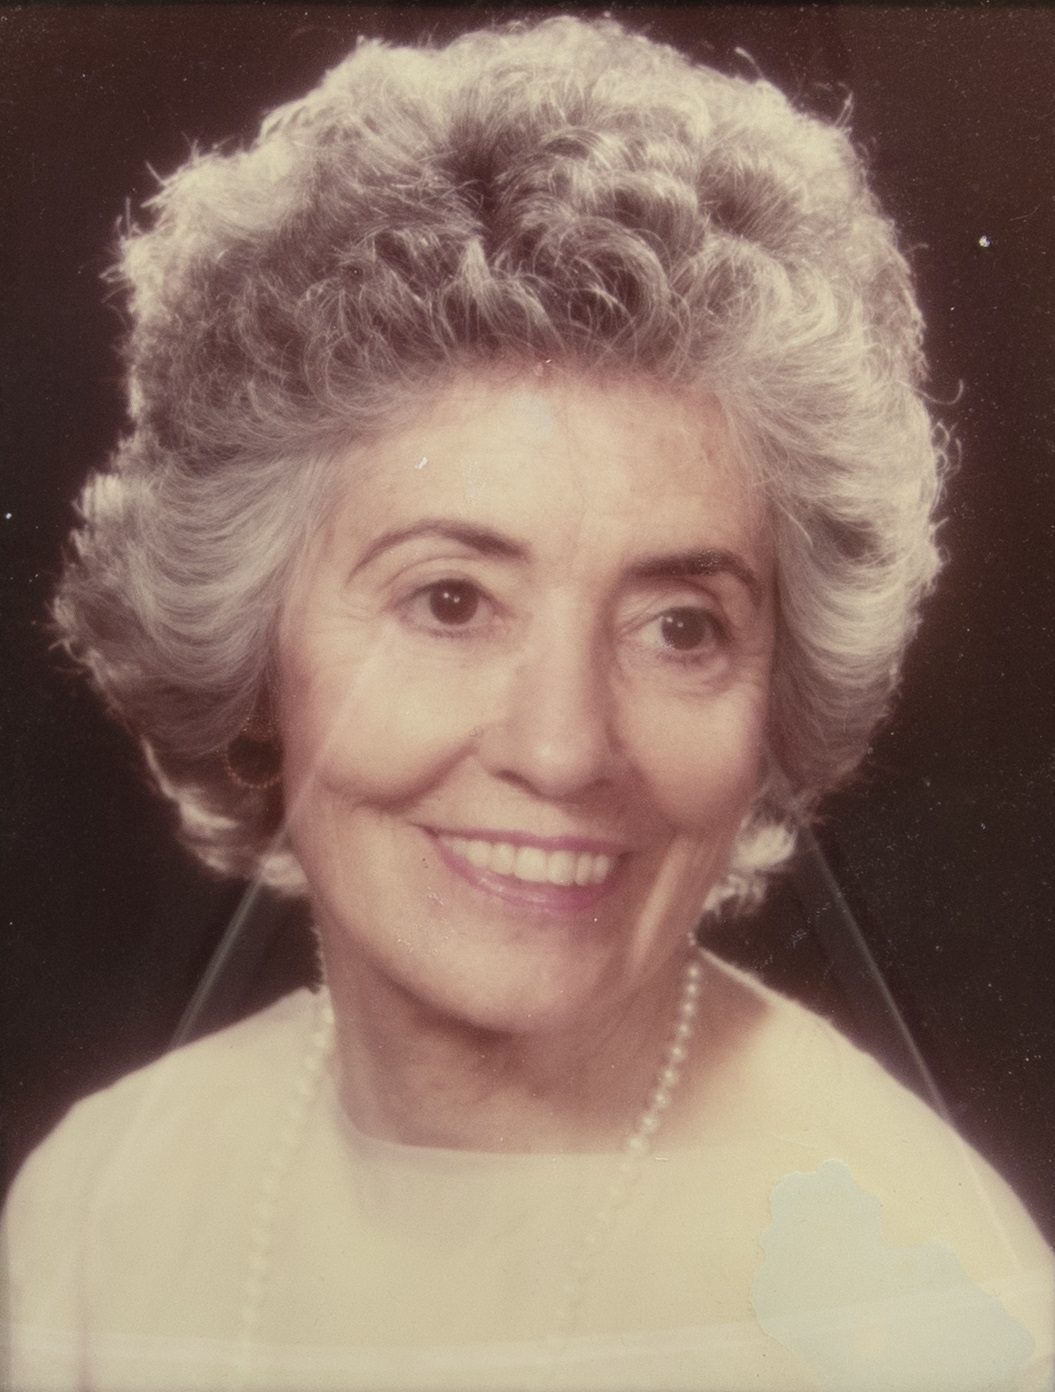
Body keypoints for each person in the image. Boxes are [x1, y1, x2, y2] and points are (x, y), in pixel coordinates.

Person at [3, 15, 1052, 1391]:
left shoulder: (924, 1304)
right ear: (254, 641)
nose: (563, 747)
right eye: (450, 602)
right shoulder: (99, 1214)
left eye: (681, 627)